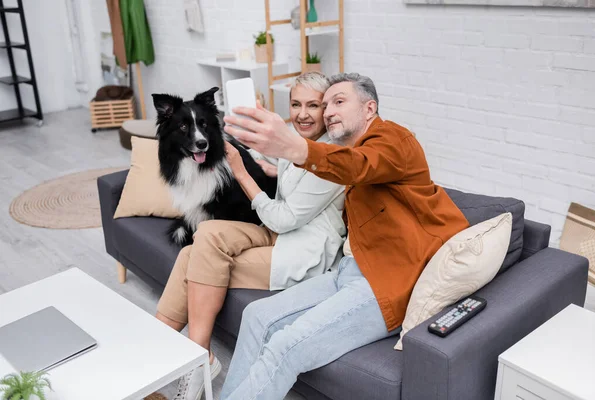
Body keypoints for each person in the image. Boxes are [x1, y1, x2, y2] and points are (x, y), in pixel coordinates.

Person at [219, 72, 470, 400]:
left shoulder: (394, 139)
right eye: (325, 105)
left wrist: (296, 147)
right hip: (348, 271)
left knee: (285, 346)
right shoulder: (346, 154)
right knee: (256, 315)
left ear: (369, 108)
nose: (327, 112)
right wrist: (273, 156)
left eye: (338, 102)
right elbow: (343, 167)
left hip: (385, 284)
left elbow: (360, 165)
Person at [156, 72, 347, 400]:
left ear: (326, 109)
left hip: (303, 249)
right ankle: (157, 351)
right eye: (296, 103)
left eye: (312, 105)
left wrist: (242, 171)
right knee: (204, 236)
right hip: (276, 233)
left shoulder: (333, 157)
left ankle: (195, 355)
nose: (302, 113)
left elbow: (286, 219)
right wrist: (272, 165)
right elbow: (290, 184)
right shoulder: (298, 143)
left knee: (195, 254)